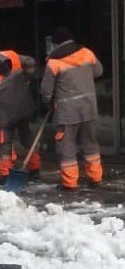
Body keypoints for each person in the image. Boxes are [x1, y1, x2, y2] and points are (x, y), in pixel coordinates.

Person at [40, 26, 103, 191]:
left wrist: (47, 102)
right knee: (90, 144)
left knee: (67, 147)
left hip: (67, 113)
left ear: (55, 44)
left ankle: (70, 184)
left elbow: (46, 91)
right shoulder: (87, 53)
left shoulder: (53, 62)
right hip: (89, 108)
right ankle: (95, 178)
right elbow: (98, 72)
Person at [0, 40, 40, 184]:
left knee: (4, 142)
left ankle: (6, 174)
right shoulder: (10, 55)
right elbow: (30, 61)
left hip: (5, 112)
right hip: (24, 106)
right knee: (27, 136)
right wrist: (26, 79)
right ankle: (35, 169)